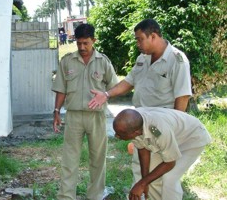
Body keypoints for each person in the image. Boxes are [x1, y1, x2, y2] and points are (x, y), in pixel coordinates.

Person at [88, 18, 192, 199]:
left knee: (162, 179)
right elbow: (129, 82)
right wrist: (106, 95)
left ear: (153, 36)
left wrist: (174, 133)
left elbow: (182, 98)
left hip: (161, 130)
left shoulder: (177, 60)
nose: (137, 44)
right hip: (139, 127)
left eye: (139, 39)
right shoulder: (142, 59)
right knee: (140, 173)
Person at [52, 23, 118, 200]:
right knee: (69, 159)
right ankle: (66, 196)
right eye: (79, 43)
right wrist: (56, 111)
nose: (82, 47)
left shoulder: (103, 62)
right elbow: (61, 88)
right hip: (73, 116)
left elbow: (114, 88)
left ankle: (95, 195)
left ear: (93, 41)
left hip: (96, 117)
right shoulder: (67, 61)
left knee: (98, 159)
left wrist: (105, 96)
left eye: (86, 43)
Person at [113, 108, 211, 200]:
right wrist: (144, 181)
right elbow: (143, 149)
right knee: (151, 177)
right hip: (172, 138)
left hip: (192, 138)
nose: (116, 136)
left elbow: (170, 162)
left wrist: (142, 184)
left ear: (136, 132)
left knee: (170, 178)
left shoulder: (157, 130)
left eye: (120, 134)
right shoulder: (133, 121)